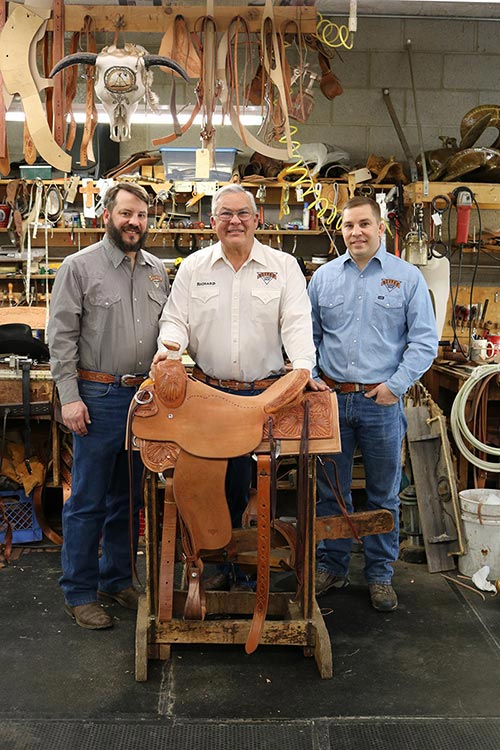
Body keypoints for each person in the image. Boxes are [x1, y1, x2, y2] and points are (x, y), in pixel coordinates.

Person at [153, 183, 319, 590]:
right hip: (209, 394)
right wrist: (169, 350)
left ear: (257, 218)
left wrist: (302, 369)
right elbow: (176, 319)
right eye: (225, 214)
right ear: (212, 223)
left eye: (242, 213)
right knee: (211, 478)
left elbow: (297, 322)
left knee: (258, 481)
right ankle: (208, 561)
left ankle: (248, 559)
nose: (235, 221)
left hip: (265, 394)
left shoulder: (283, 266)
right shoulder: (193, 268)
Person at [47, 182, 170, 629]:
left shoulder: (158, 270)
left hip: (144, 399)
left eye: (140, 215)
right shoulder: (79, 267)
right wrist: (70, 398)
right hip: (97, 397)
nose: (133, 222)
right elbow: (59, 338)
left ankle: (115, 580)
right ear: (107, 216)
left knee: (129, 499)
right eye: (125, 214)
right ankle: (79, 592)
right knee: (87, 500)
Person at [307, 196, 438, 611]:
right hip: (331, 399)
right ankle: (333, 566)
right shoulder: (323, 278)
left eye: (364, 224)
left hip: (380, 402)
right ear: (341, 230)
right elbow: (304, 337)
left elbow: (424, 341)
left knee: (383, 494)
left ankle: (380, 574)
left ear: (381, 228)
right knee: (332, 493)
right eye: (348, 226)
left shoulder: (407, 278)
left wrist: (395, 386)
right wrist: (311, 380)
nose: (356, 232)